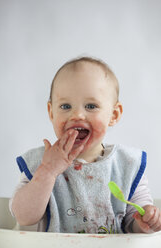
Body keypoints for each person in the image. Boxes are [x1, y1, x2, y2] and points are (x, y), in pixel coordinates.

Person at [9, 57, 161, 234]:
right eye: (65, 106)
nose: (77, 115)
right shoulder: (41, 163)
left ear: (113, 114)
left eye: (91, 106)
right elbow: (23, 216)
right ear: (51, 112)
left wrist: (145, 222)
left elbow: (133, 221)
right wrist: (48, 172)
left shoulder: (126, 165)